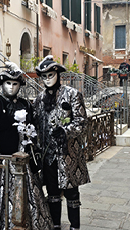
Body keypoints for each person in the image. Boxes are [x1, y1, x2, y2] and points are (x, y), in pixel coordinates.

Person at [0, 63, 52, 230]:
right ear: (2, 85)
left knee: (28, 194)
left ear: (20, 86)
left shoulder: (26, 105)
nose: (11, 87)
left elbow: (33, 127)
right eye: (8, 84)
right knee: (1, 196)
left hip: (23, 160)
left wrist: (32, 141)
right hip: (2, 162)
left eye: (15, 84)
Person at [33, 56, 90, 230]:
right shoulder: (38, 99)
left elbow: (82, 122)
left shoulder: (72, 94)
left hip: (68, 155)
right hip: (48, 156)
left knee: (72, 193)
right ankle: (55, 225)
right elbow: (35, 125)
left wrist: (65, 131)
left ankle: (75, 227)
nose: (47, 79)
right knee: (52, 193)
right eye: (44, 76)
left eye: (50, 74)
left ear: (57, 73)